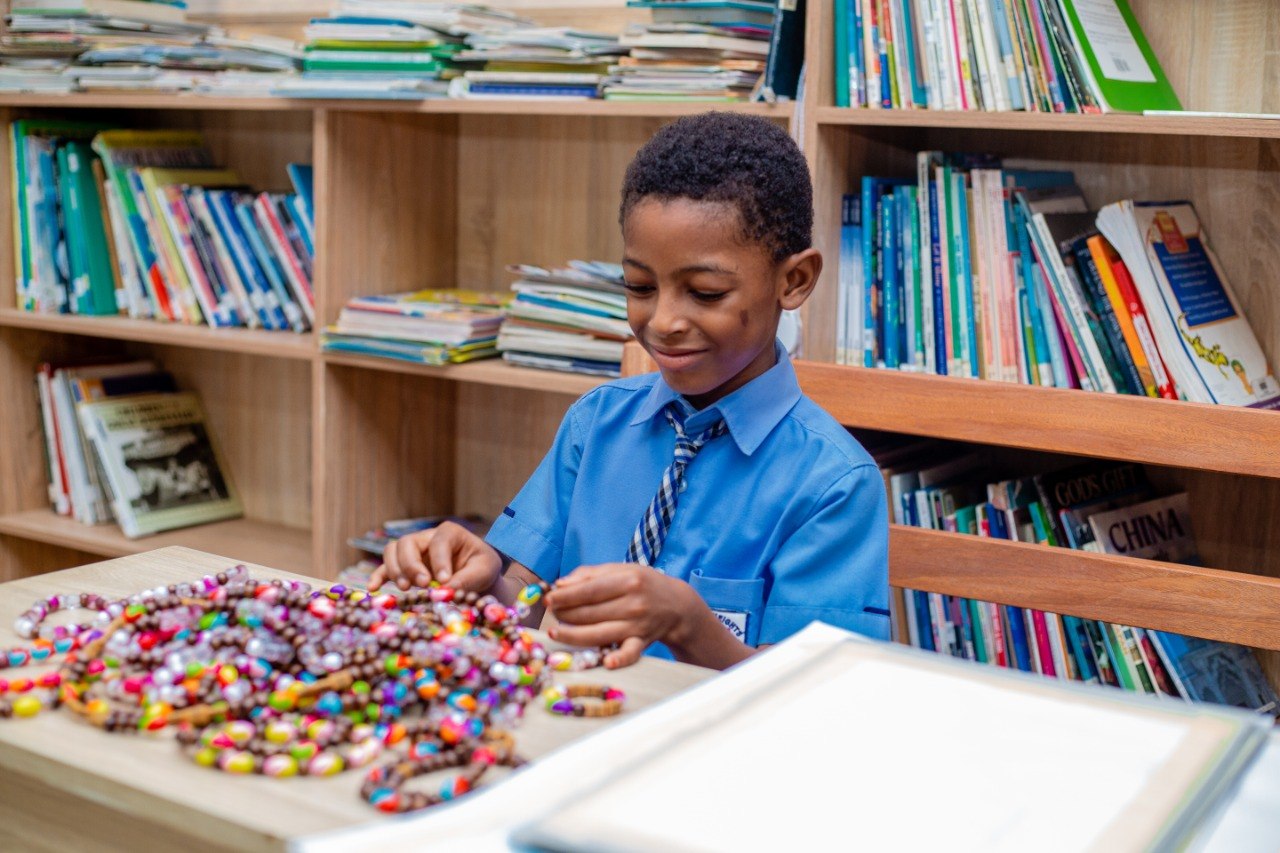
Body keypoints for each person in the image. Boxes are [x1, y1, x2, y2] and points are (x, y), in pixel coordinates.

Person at [371, 112, 890, 671]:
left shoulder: (832, 485)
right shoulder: (595, 424)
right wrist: (474, 580)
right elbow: (525, 598)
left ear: (794, 281)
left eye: (705, 292)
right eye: (640, 287)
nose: (663, 320)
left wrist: (690, 627)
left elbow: (810, 696)